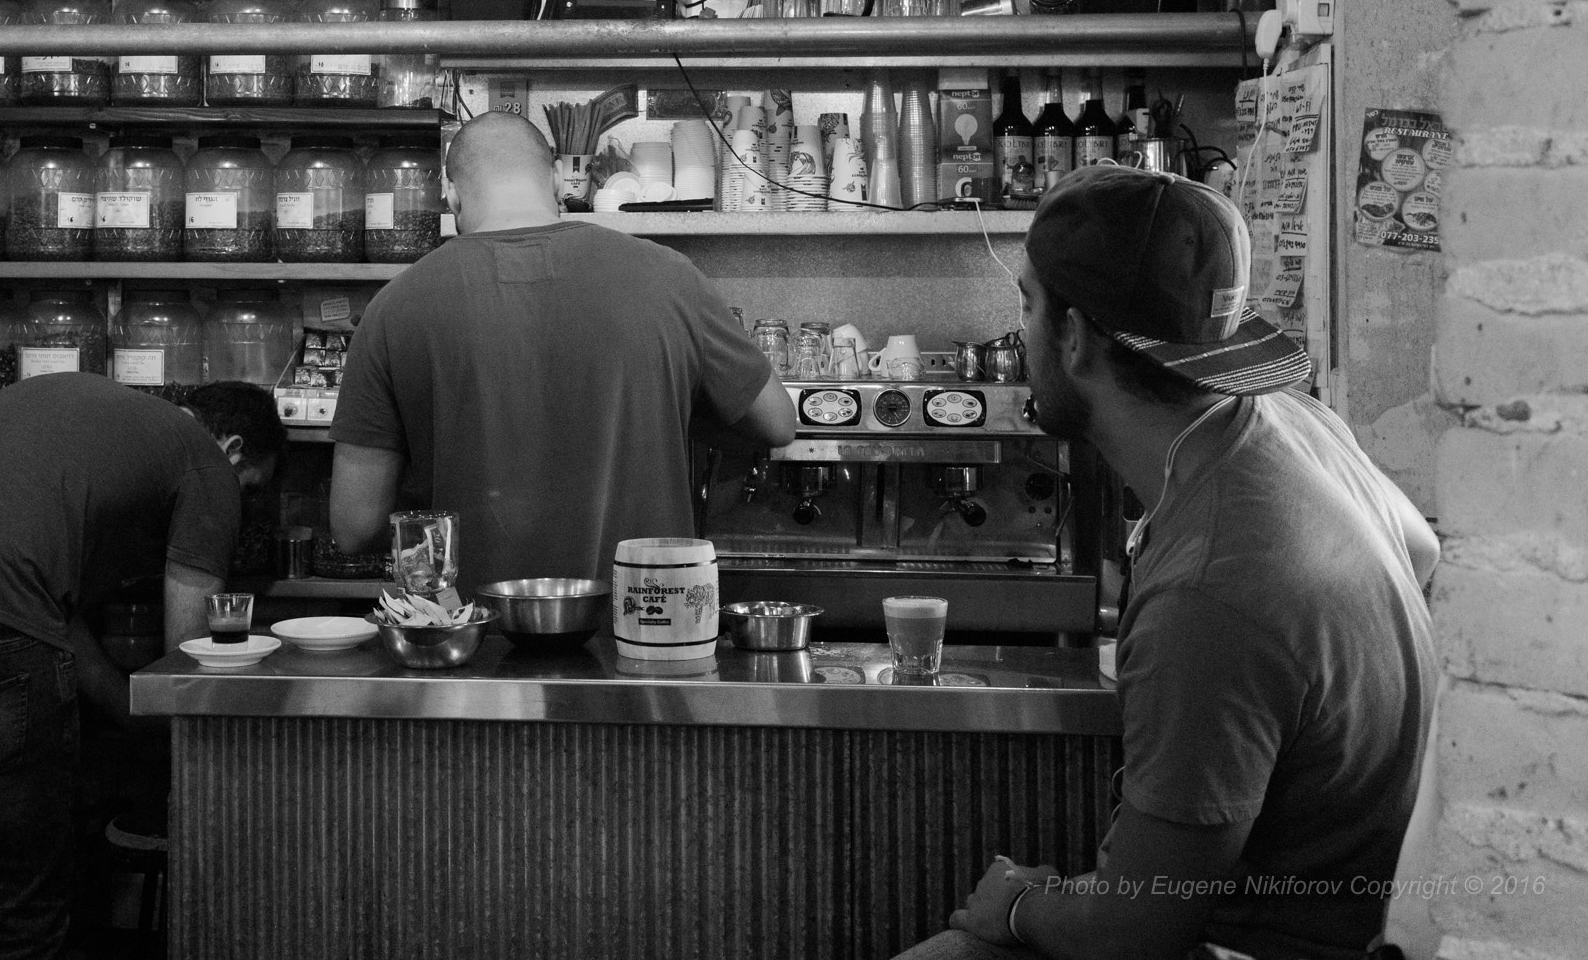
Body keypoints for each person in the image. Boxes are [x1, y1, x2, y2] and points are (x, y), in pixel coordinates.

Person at [900, 168, 1438, 960]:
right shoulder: (1296, 422)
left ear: (1075, 336)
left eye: (1027, 303)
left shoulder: (1208, 587)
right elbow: (1419, 553)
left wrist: (1018, 905)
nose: (1020, 330)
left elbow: (1135, 930)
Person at [0, 374, 282, 960]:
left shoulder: (95, 422)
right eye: (250, 491)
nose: (239, 506)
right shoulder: (204, 463)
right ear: (234, 449)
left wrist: (125, 708)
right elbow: (186, 655)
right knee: (19, 899)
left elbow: (54, 618)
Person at [329, 110, 796, 587]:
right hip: (647, 626)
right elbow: (778, 423)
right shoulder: (670, 278)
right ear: (556, 181)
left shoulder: (395, 306)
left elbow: (354, 525)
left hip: (473, 637)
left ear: (451, 195)